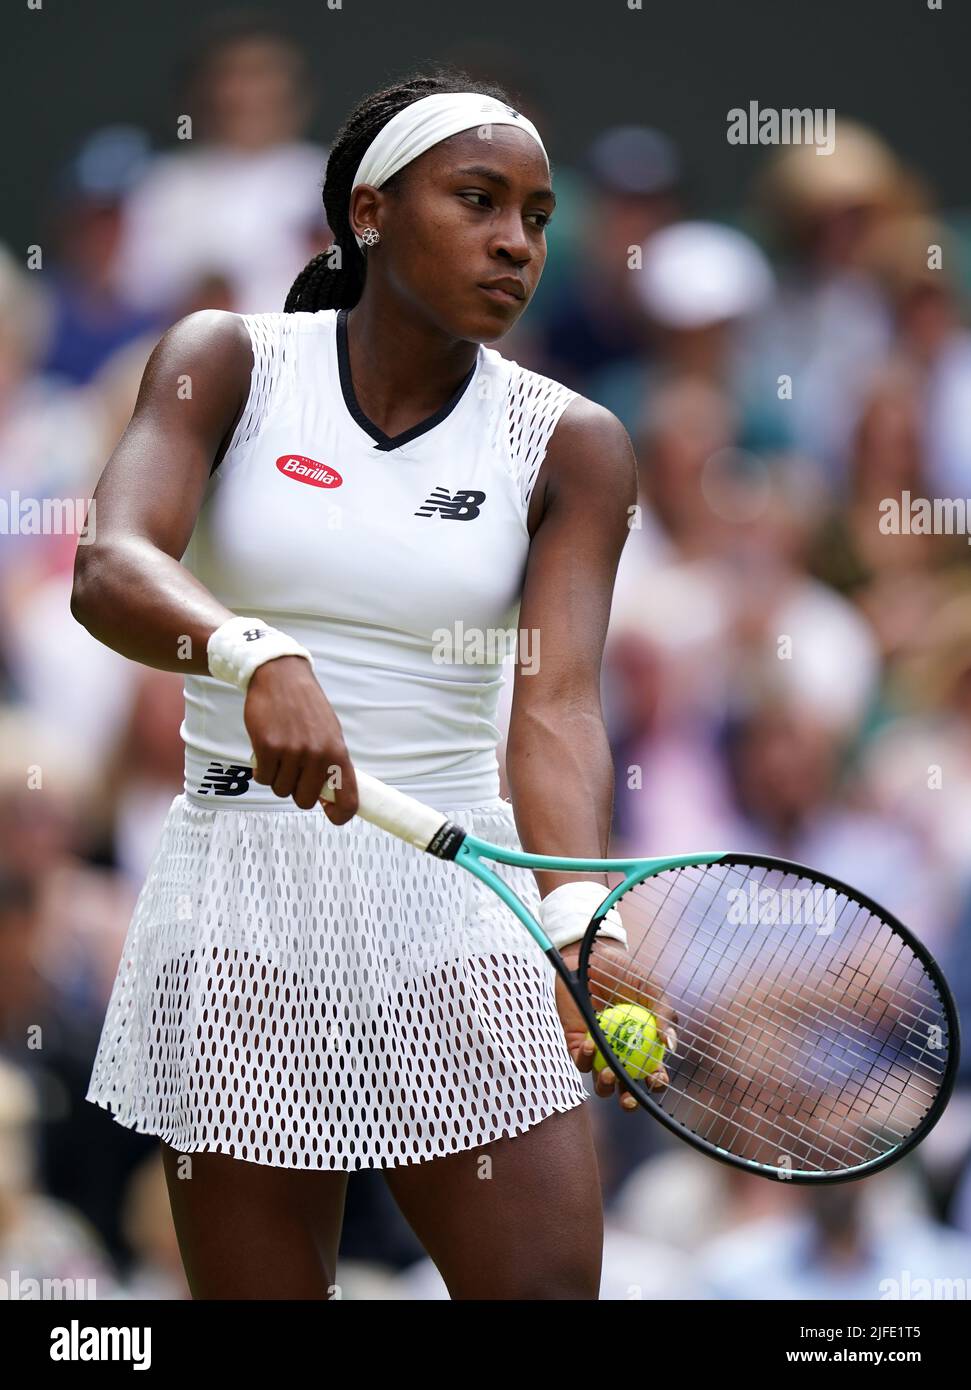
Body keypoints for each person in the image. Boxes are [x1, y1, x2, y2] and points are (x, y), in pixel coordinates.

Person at [72, 67, 654, 1300]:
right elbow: (108, 568)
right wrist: (252, 651)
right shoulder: (222, 358)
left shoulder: (572, 440)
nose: (514, 242)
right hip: (240, 897)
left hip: (456, 904)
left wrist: (578, 916)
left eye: (537, 218)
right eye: (478, 200)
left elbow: (554, 705)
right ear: (372, 213)